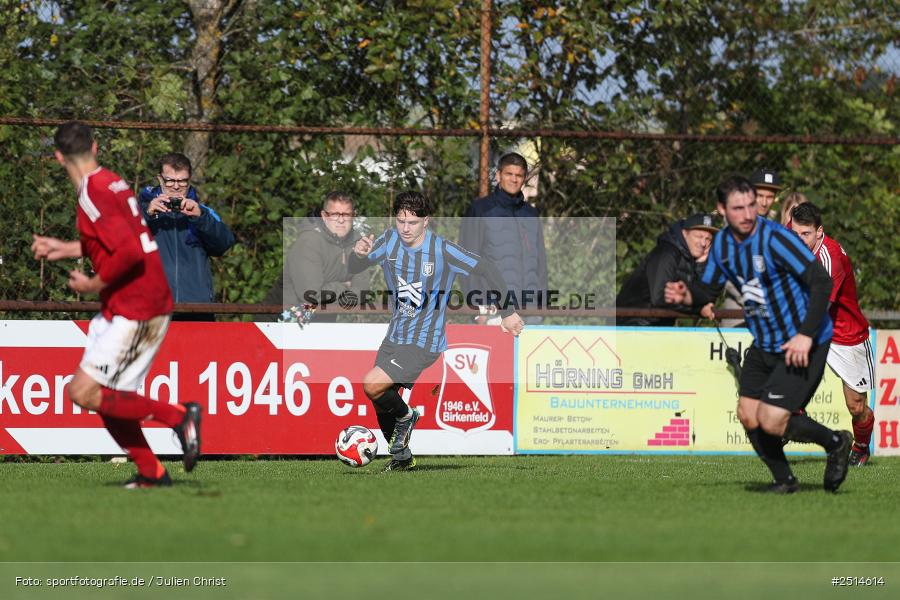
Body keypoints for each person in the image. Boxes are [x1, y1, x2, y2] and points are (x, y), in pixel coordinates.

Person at [31, 122, 201, 488]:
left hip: (138, 305)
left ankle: (179, 417)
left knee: (84, 392)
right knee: (102, 396)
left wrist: (92, 284)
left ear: (58, 156)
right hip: (130, 304)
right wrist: (64, 248)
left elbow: (128, 253)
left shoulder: (92, 191)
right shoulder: (111, 182)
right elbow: (120, 238)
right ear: (94, 146)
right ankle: (152, 472)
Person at [681, 175, 852, 493]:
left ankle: (836, 442)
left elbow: (822, 282)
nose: (748, 213)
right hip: (766, 342)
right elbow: (708, 288)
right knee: (748, 414)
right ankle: (784, 480)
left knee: (773, 419)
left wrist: (804, 335)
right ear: (722, 209)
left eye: (752, 204)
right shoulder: (722, 245)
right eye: (738, 207)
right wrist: (689, 296)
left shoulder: (776, 238)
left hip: (803, 340)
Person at [349, 191, 525, 472]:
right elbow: (354, 266)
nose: (405, 228)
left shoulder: (442, 250)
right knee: (380, 401)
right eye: (401, 221)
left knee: (372, 384)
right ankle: (402, 459)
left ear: (426, 221)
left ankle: (408, 416)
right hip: (394, 337)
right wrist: (357, 254)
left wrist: (508, 312)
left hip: (424, 341)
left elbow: (488, 268)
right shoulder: (388, 240)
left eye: (413, 223)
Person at [790, 202, 874, 466]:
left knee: (856, 406)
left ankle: (860, 447)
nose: (799, 240)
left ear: (819, 232)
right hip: (817, 331)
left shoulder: (830, 259)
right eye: (796, 233)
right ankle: (787, 421)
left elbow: (818, 308)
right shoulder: (793, 238)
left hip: (846, 336)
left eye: (806, 234)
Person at [139, 153, 235, 320]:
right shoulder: (138, 211)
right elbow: (117, 242)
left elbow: (224, 245)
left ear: (189, 180)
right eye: (170, 180)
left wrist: (200, 218)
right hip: (152, 309)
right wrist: (146, 215)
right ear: (160, 179)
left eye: (182, 181)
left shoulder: (203, 212)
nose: (176, 187)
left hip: (196, 309)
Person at [459, 152, 547, 323]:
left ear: (525, 178)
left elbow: (540, 264)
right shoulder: (480, 210)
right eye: (509, 174)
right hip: (493, 312)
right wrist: (479, 310)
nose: (514, 179)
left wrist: (541, 307)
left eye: (519, 175)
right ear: (498, 175)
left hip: (530, 311)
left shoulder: (531, 214)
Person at [264, 192, 370, 322]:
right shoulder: (309, 242)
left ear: (353, 216)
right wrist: (344, 286)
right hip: (279, 323)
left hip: (320, 323)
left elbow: (363, 294)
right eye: (335, 214)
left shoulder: (358, 245)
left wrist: (333, 289)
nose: (341, 220)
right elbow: (311, 297)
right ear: (324, 216)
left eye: (346, 215)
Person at [616, 214, 721, 326]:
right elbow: (660, 298)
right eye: (699, 237)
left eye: (708, 239)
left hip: (656, 326)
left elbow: (705, 296)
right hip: (632, 325)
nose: (703, 243)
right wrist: (698, 309)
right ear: (685, 234)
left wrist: (701, 265)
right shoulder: (667, 253)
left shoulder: (691, 260)